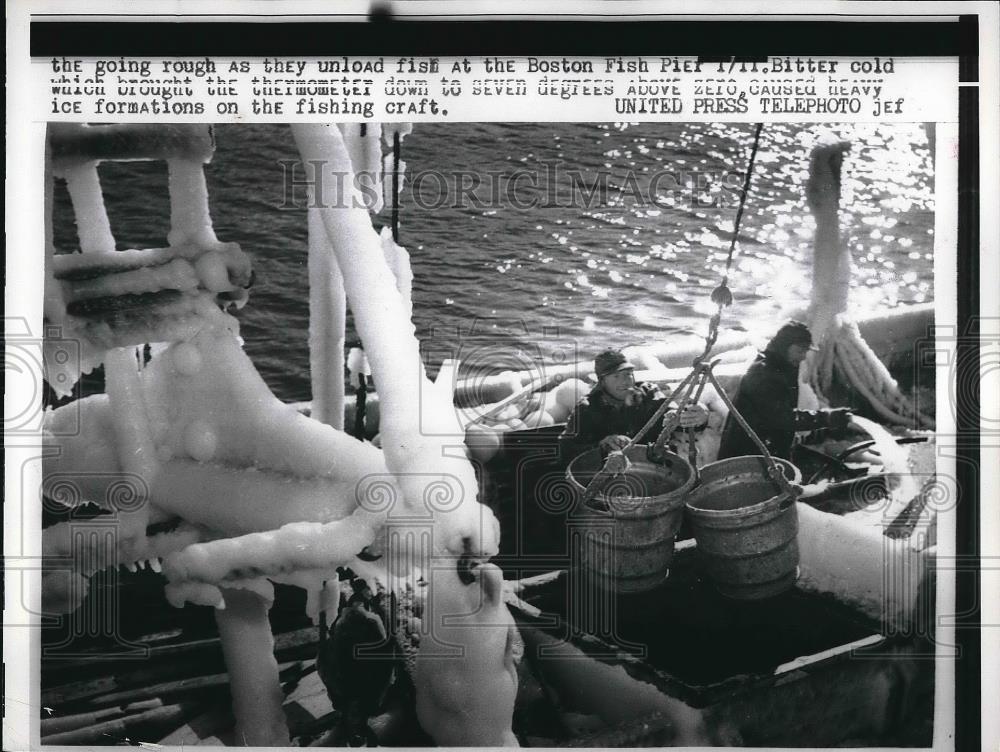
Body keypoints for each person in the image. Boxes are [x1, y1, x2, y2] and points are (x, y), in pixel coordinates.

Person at [717, 321, 851, 461]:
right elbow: (782, 418)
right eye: (800, 351)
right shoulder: (764, 373)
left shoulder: (782, 366)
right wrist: (826, 418)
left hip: (765, 449)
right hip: (747, 456)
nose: (804, 357)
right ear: (784, 346)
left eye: (805, 351)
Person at [559, 348, 708, 464]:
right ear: (602, 381)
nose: (625, 381)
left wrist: (698, 416)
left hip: (652, 465)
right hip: (608, 473)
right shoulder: (587, 408)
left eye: (628, 374)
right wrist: (601, 446)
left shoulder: (648, 394)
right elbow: (566, 450)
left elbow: (673, 417)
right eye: (616, 376)